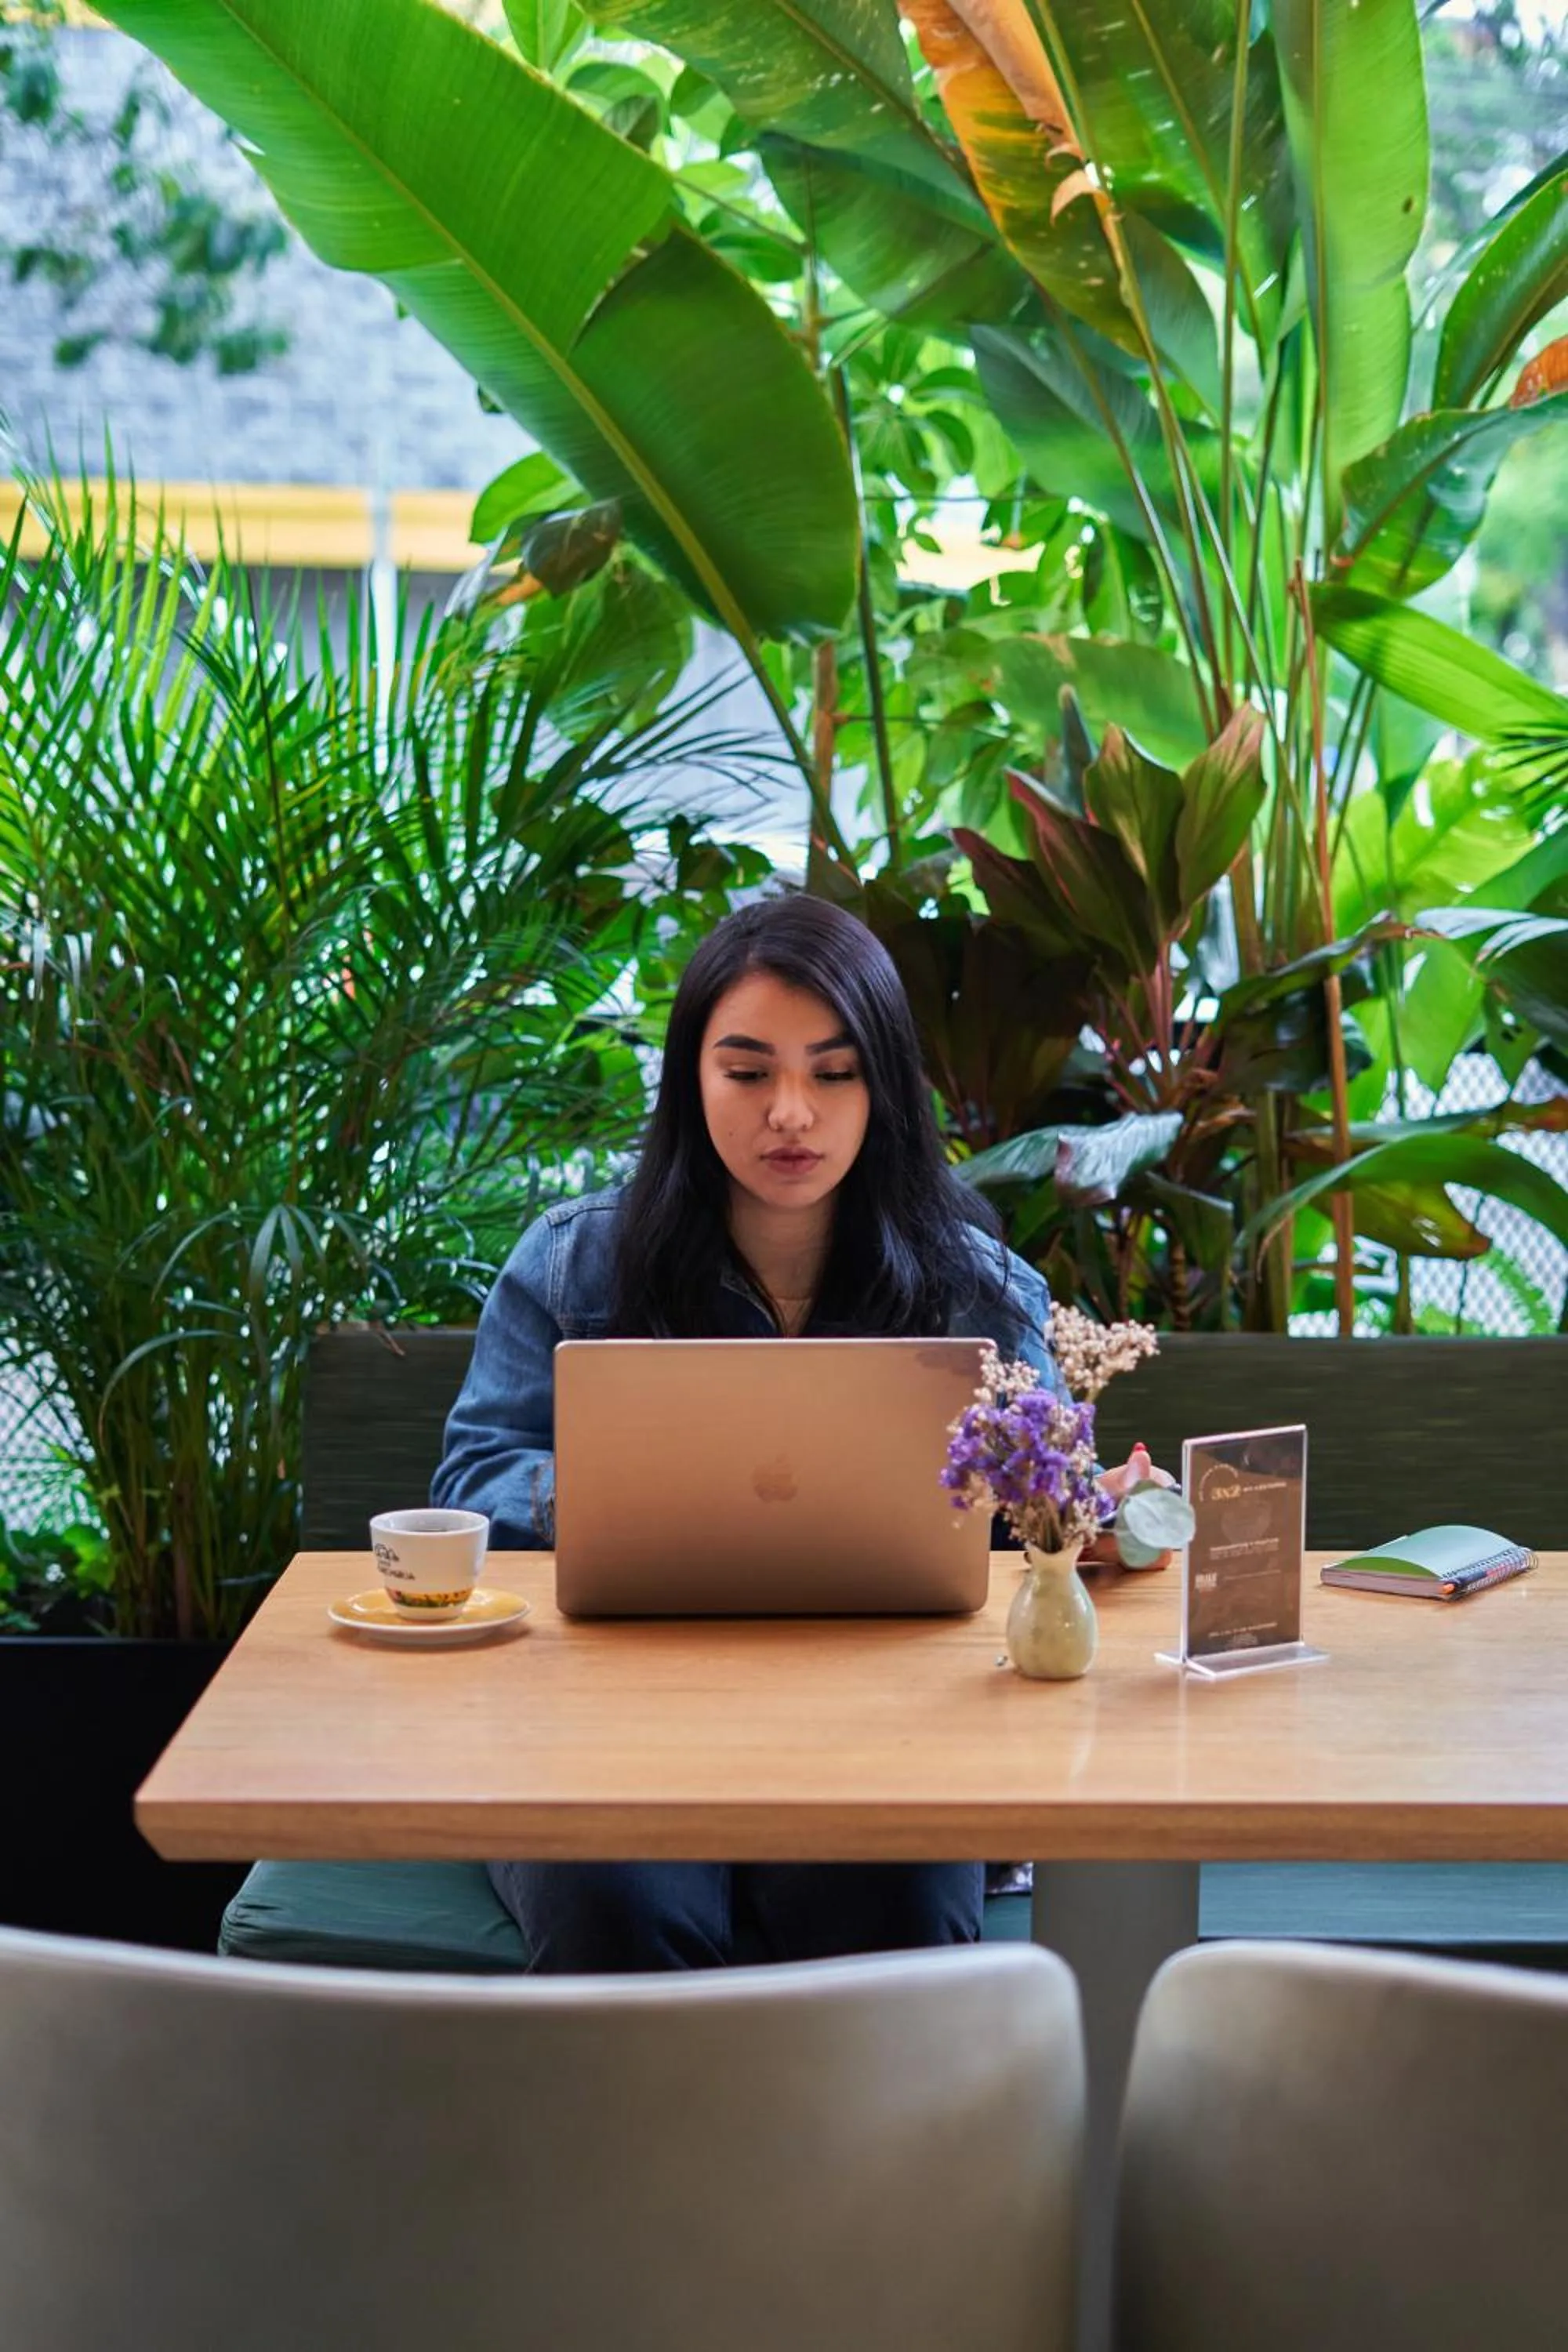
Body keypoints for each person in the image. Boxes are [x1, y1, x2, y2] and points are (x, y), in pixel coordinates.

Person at [434, 893, 1138, 1973]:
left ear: (884, 1087)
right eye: (749, 1071)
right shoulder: (572, 1263)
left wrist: (1080, 1515)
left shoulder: (977, 1291)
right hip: (611, 1719)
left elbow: (1033, 1518)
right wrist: (609, 1493)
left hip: (889, 1725)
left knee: (900, 1888)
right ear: (693, 1080)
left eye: (833, 1071)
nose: (792, 1113)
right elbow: (473, 1478)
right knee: (615, 1894)